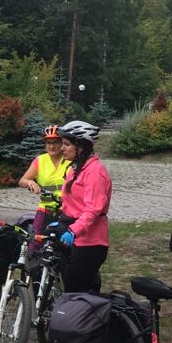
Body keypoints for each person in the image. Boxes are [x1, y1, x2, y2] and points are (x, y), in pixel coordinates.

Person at [56, 120, 111, 293]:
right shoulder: (77, 168)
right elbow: (73, 204)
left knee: (75, 293)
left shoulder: (95, 171)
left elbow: (93, 209)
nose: (62, 148)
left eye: (66, 144)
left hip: (90, 242)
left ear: (81, 147)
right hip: (73, 235)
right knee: (74, 289)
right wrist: (62, 221)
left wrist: (73, 231)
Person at [18, 125, 70, 249]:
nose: (52, 146)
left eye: (56, 142)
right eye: (48, 143)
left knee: (63, 246)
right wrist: (30, 182)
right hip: (45, 208)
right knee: (34, 243)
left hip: (66, 210)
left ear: (62, 143)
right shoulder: (40, 160)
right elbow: (22, 181)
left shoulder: (70, 159)